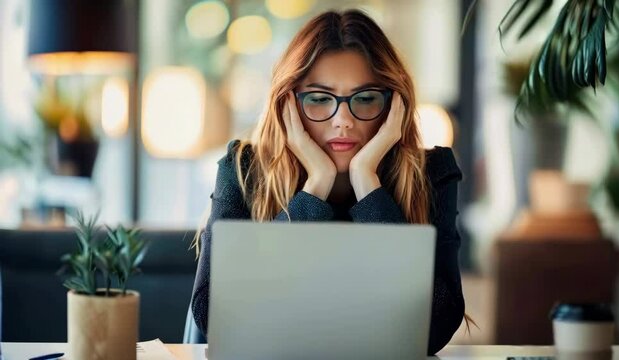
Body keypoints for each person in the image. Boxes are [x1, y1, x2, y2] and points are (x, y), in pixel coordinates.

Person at [191, 9, 467, 355]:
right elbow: (211, 315)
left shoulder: (431, 172)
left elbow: (438, 325)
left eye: (365, 98)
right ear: (288, 103)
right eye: (320, 99)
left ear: (393, 104)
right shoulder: (244, 168)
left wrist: (368, 185)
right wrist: (315, 188)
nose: (343, 120)